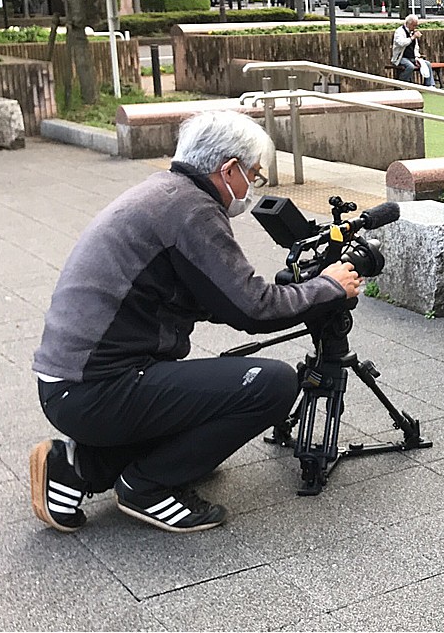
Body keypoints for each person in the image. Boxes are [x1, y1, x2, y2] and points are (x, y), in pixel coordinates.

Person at [29, 111, 363, 534]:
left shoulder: (163, 192)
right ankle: (148, 486)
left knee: (211, 387)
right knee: (271, 384)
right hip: (96, 390)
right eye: (254, 175)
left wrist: (285, 293)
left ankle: (76, 469)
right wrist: (330, 287)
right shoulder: (192, 209)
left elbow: (209, 295)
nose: (252, 188)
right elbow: (253, 309)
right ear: (228, 170)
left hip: (72, 385)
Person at [391, 14, 435, 86]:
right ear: (409, 24)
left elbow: (416, 47)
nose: (415, 27)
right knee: (410, 66)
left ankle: (430, 85)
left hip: (412, 57)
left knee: (427, 64)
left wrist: (417, 57)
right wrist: (412, 37)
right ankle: (401, 83)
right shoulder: (399, 31)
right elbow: (401, 43)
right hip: (401, 58)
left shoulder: (412, 32)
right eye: (414, 25)